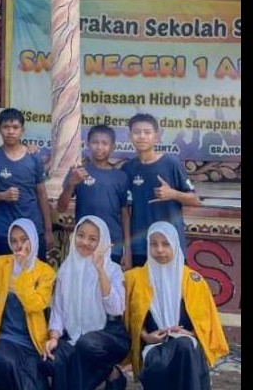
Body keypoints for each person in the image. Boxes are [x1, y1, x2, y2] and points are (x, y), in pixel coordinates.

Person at [124, 221, 228, 390]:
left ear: (175, 244)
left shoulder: (193, 281)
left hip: (187, 344)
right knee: (181, 350)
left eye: (166, 244)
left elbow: (207, 321)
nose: (159, 250)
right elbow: (130, 319)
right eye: (153, 244)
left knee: (184, 345)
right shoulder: (134, 279)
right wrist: (146, 336)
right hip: (154, 347)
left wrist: (192, 333)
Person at [42, 215, 130, 390]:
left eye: (92, 239)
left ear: (102, 242)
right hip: (73, 334)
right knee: (52, 361)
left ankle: (112, 373)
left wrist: (100, 270)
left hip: (109, 334)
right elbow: (58, 310)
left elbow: (116, 308)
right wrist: (53, 338)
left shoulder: (112, 270)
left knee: (86, 345)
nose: (84, 242)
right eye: (81, 235)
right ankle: (110, 374)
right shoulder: (66, 269)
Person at [0, 218, 55, 390]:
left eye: (23, 239)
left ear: (33, 239)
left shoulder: (46, 272)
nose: (19, 246)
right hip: (5, 337)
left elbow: (34, 305)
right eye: (14, 241)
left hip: (31, 340)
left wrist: (23, 272)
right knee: (4, 362)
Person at [121, 113, 201, 267]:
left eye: (147, 132)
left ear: (156, 137)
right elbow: (126, 212)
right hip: (140, 248)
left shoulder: (171, 163)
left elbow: (195, 200)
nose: (142, 136)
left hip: (169, 246)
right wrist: (128, 251)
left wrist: (173, 194)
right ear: (130, 137)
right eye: (137, 132)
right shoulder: (127, 169)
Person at [57, 124, 131, 269]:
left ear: (113, 147)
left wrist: (127, 250)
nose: (99, 147)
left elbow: (125, 215)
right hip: (84, 244)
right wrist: (71, 183)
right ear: (87, 144)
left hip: (112, 245)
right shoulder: (78, 172)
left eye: (105, 143)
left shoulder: (121, 177)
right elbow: (61, 207)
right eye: (95, 142)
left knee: (107, 282)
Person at [0, 108, 53, 261]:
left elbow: (42, 194)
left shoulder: (33, 157)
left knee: (35, 272)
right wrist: (2, 196)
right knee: (3, 271)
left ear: (22, 130)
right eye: (6, 127)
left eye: (15, 127)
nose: (10, 131)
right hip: (4, 229)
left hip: (32, 227)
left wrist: (48, 230)